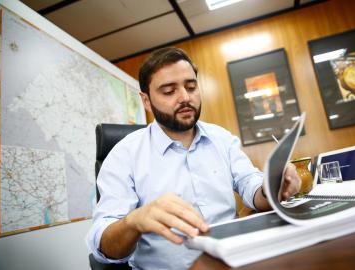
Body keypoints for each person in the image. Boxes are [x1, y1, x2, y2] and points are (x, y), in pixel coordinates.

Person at [87, 47, 301, 270]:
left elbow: (250, 185)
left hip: (235, 262)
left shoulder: (222, 138)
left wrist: (271, 188)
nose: (186, 97)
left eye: (191, 87)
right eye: (169, 91)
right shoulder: (124, 155)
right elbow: (103, 247)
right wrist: (134, 220)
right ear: (147, 101)